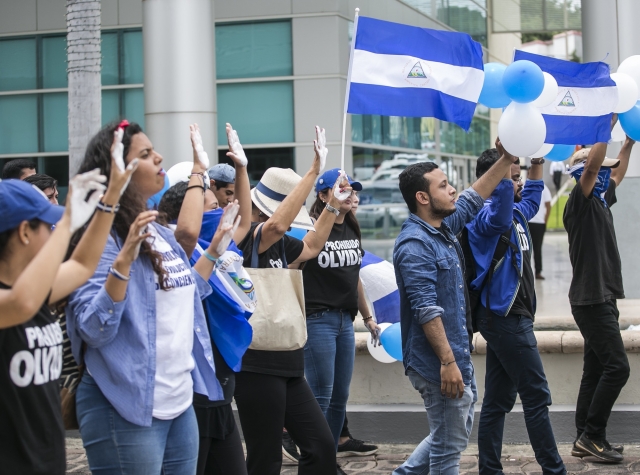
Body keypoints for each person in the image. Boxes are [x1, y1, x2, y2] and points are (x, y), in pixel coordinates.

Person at [66, 121, 237, 474]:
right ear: (116, 169)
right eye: (145, 154)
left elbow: (184, 293)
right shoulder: (103, 240)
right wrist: (122, 264)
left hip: (179, 401)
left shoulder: (159, 231)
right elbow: (94, 329)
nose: (158, 156)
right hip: (125, 403)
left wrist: (216, 250)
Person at [0, 156, 136, 474]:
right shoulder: (22, 296)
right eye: (45, 224)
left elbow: (81, 266)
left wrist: (109, 201)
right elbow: (22, 303)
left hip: (44, 459)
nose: (53, 231)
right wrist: (69, 220)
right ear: (24, 232)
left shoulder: (35, 288)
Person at [392, 141, 518, 475]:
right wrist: (447, 362)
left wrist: (506, 158)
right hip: (438, 363)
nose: (453, 190)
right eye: (444, 186)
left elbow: (476, 194)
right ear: (422, 198)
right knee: (449, 451)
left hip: (455, 356)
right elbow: (426, 310)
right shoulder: (414, 245)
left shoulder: (442, 227)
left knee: (447, 435)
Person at [233, 126, 345, 475]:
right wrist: (313, 172)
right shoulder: (249, 238)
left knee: (321, 446)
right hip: (257, 364)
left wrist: (330, 208)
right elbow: (278, 228)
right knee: (265, 458)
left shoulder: (279, 243)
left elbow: (311, 247)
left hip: (288, 362)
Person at [465, 152, 565, 475]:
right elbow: (500, 217)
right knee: (537, 398)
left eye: (518, 175)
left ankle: (489, 470)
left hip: (510, 318)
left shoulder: (518, 212)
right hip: (505, 319)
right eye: (511, 176)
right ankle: (555, 470)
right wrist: (506, 165)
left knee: (497, 402)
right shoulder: (482, 217)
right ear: (493, 179)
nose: (517, 181)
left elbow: (532, 200)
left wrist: (536, 162)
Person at [165, 123, 251, 475]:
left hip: (220, 390)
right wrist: (199, 167)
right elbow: (190, 246)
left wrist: (243, 168)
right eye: (212, 205)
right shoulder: (177, 251)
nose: (222, 210)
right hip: (194, 390)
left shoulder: (216, 242)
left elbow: (243, 221)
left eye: (222, 203)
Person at [563, 120, 635, 463]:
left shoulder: (600, 201)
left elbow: (616, 172)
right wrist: (600, 127)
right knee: (617, 368)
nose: (606, 174)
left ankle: (586, 436)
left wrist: (629, 142)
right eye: (598, 170)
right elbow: (594, 165)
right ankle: (592, 435)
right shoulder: (579, 200)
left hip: (602, 297)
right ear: (582, 174)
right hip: (591, 300)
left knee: (595, 370)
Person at [303, 168, 380, 454]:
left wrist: (368, 317)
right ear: (323, 196)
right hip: (317, 319)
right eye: (342, 189)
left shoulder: (352, 225)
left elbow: (354, 275)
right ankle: (314, 460)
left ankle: (329, 454)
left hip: (345, 321)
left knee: (339, 397)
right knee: (320, 397)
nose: (351, 194)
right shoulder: (310, 226)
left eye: (352, 189)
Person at [527, 182, 551, 279]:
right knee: (526, 248)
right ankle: (525, 272)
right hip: (528, 221)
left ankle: (538, 271)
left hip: (539, 223)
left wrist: (545, 221)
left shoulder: (544, 188)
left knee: (537, 248)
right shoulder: (525, 186)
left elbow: (548, 205)